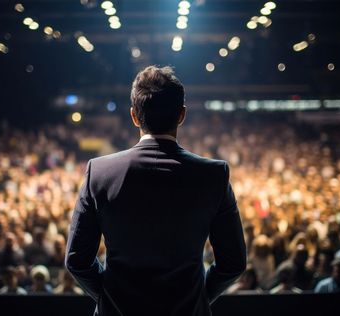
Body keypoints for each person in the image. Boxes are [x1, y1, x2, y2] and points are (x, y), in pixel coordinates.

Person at [65, 66, 246, 316]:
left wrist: (110, 298)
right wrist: (199, 297)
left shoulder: (99, 172)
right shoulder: (213, 175)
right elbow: (233, 262)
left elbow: (77, 260)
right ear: (182, 115)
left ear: (134, 116)